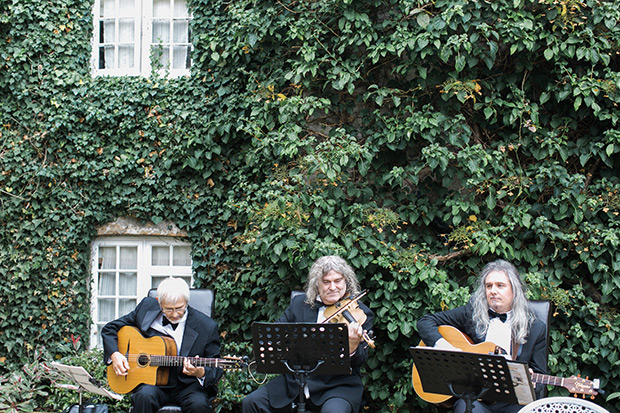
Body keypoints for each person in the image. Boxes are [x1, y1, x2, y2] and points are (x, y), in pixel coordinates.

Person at [242, 255, 374, 413]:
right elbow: (276, 332)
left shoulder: (360, 312)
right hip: (294, 382)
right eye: (326, 282)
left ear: (346, 281)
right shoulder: (299, 304)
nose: (333, 287)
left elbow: (360, 361)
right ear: (317, 284)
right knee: (251, 403)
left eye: (338, 281)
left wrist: (352, 345)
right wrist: (270, 346)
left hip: (336, 385)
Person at [416, 259, 547, 413]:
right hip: (475, 399)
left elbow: (541, 378)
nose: (493, 291)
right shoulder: (472, 313)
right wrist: (447, 348)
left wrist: (530, 383)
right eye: (488, 286)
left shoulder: (535, 327)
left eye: (500, 285)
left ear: (514, 290)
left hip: (514, 402)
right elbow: (425, 322)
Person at [101, 277, 223, 413]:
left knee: (199, 404)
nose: (175, 314)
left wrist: (201, 373)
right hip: (153, 384)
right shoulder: (146, 309)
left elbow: (215, 365)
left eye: (179, 308)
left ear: (187, 302)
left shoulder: (206, 326)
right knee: (144, 396)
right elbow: (110, 329)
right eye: (168, 309)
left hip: (188, 386)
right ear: (159, 302)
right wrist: (115, 354)